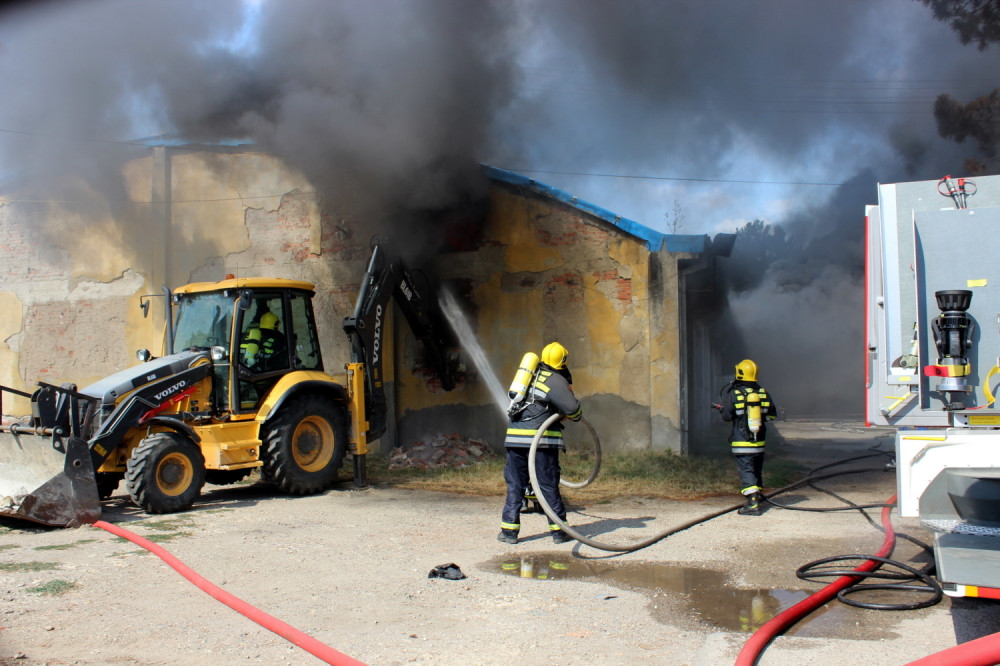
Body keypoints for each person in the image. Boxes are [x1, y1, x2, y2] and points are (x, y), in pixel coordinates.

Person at [498, 341, 582, 545]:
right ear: (563, 361)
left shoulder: (527, 377)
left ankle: (509, 532)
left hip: (514, 439)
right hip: (540, 442)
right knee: (547, 485)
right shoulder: (554, 379)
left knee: (515, 485)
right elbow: (573, 411)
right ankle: (559, 531)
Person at [717, 359, 777, 516]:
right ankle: (758, 496)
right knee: (756, 469)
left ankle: (752, 503)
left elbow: (727, 417)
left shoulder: (734, 394)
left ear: (739, 373)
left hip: (742, 441)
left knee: (746, 469)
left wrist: (723, 410)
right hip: (760, 442)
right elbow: (772, 416)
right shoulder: (763, 393)